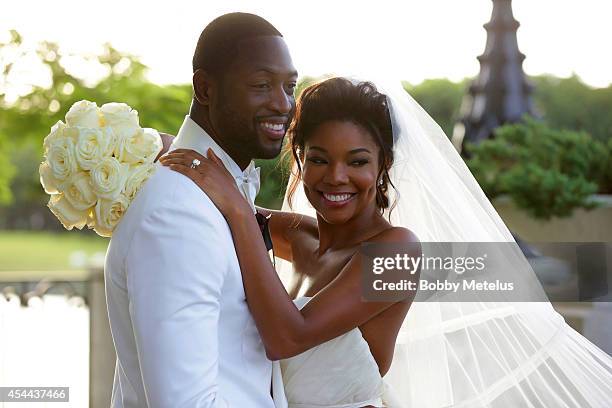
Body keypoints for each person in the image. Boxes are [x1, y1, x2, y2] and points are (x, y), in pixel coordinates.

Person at [161, 77, 612, 407]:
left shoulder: (398, 252)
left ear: (384, 165)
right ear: (299, 159)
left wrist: (240, 212)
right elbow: (216, 200)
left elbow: (286, 336)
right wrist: (160, 149)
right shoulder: (297, 236)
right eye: (318, 159)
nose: (336, 177)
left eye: (357, 161)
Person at [104, 12, 298, 407]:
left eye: (289, 86)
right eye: (262, 85)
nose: (283, 104)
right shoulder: (177, 212)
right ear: (205, 88)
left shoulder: (223, 196)